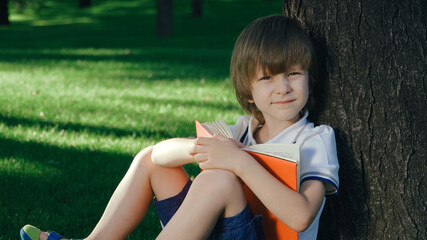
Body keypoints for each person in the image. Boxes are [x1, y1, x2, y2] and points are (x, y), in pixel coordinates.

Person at [20, 14, 339, 240]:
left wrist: (238, 162)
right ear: (249, 91)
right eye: (268, 78)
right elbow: (159, 156)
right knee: (149, 158)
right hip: (216, 227)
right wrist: (205, 150)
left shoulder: (314, 139)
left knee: (219, 180)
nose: (283, 87)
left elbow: (301, 216)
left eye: (293, 73)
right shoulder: (241, 129)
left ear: (309, 76)